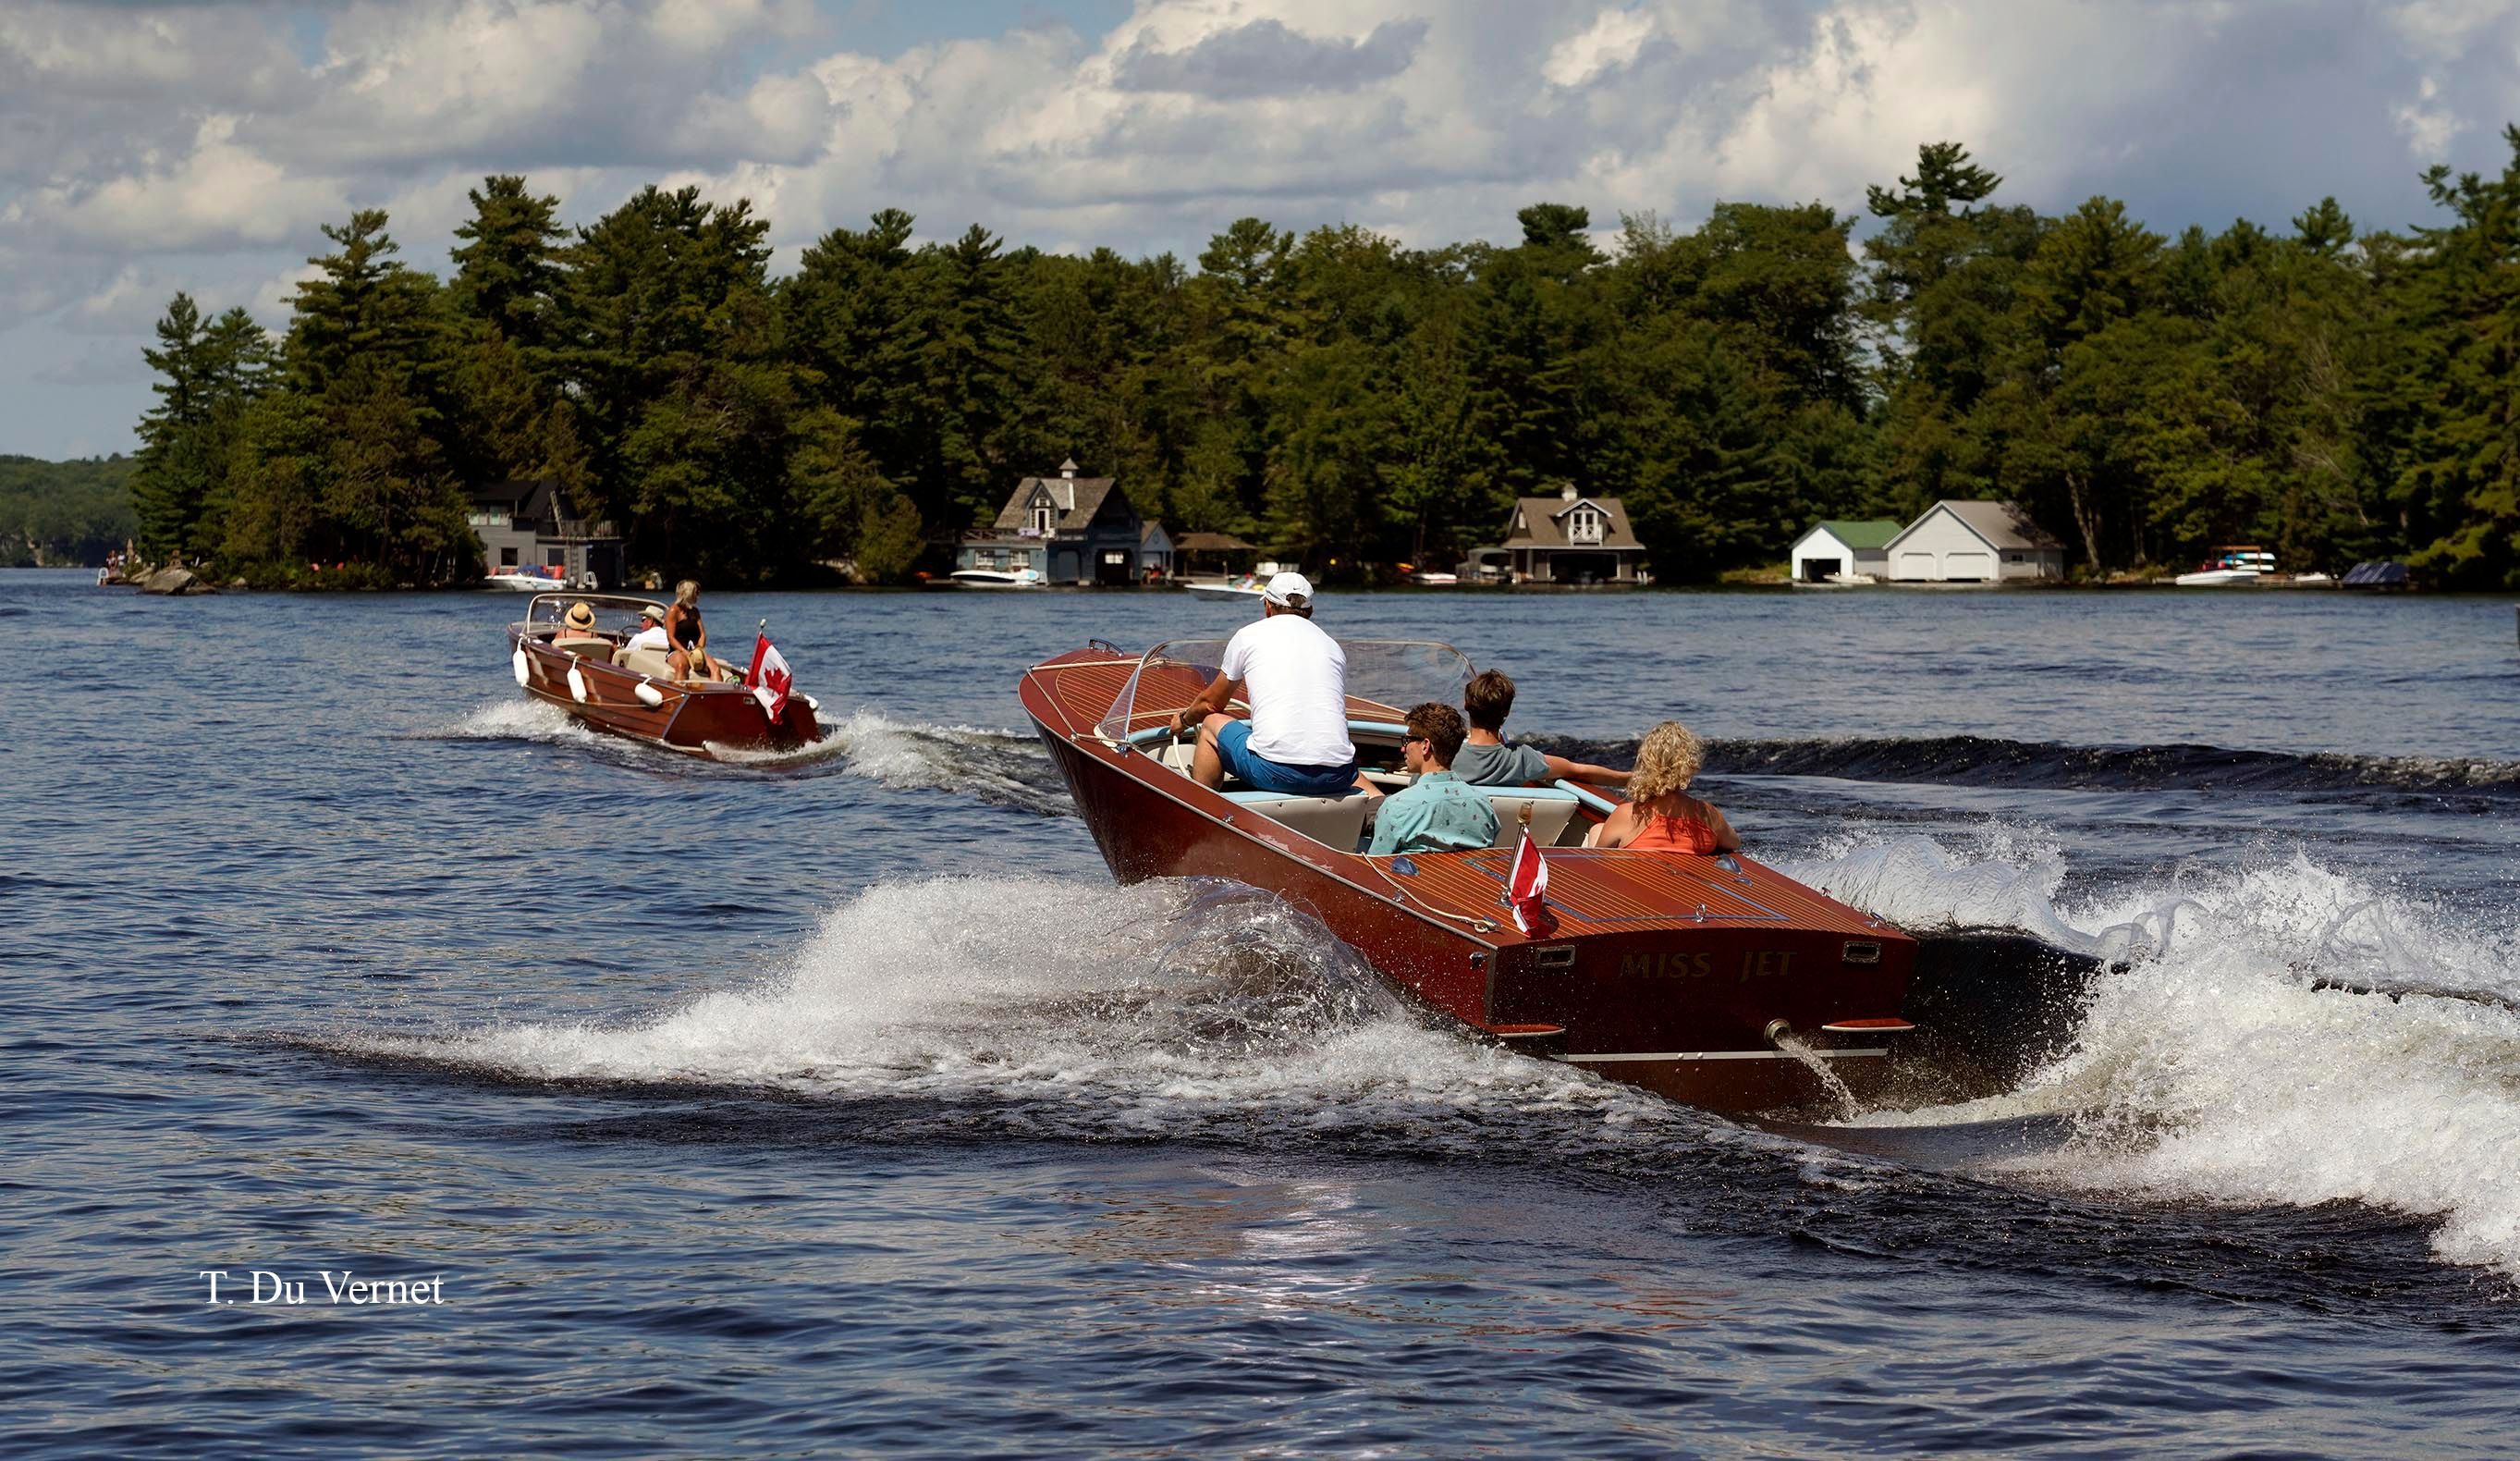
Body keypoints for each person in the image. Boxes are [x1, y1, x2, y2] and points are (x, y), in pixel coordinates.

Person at [1175, 571, 1376, 799]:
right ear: (1309, 611)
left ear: (1268, 606)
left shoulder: (1248, 636)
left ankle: (1201, 807)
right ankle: (1378, 802)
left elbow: (1210, 704)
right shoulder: (1332, 645)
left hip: (1275, 773)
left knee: (1211, 723)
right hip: (1338, 774)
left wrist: (1183, 720)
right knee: (1330, 757)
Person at [1453, 669, 1632, 789]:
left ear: (1466, 705)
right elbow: (1579, 770)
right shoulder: (1521, 759)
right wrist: (1629, 778)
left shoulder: (1445, 756)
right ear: (1507, 711)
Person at [1585, 720, 1740, 853]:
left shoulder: (1628, 815)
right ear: (1689, 766)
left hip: (1638, 882)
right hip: (1682, 883)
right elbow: (1734, 843)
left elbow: (1599, 858)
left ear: (1645, 763)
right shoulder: (1707, 815)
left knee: (1597, 829)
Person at [1367, 703, 1499, 855]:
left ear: (1425, 745)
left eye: (1407, 741)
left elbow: (1376, 866)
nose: (1403, 748)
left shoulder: (1396, 807)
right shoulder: (1483, 805)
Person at [664, 580, 725, 681]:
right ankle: (680, 693)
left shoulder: (695, 612)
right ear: (688, 594)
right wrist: (685, 652)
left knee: (716, 669)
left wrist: (699, 650)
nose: (698, 596)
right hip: (677, 651)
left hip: (695, 651)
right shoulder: (673, 611)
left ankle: (716, 694)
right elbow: (671, 637)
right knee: (681, 666)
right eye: (696, 593)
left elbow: (702, 634)